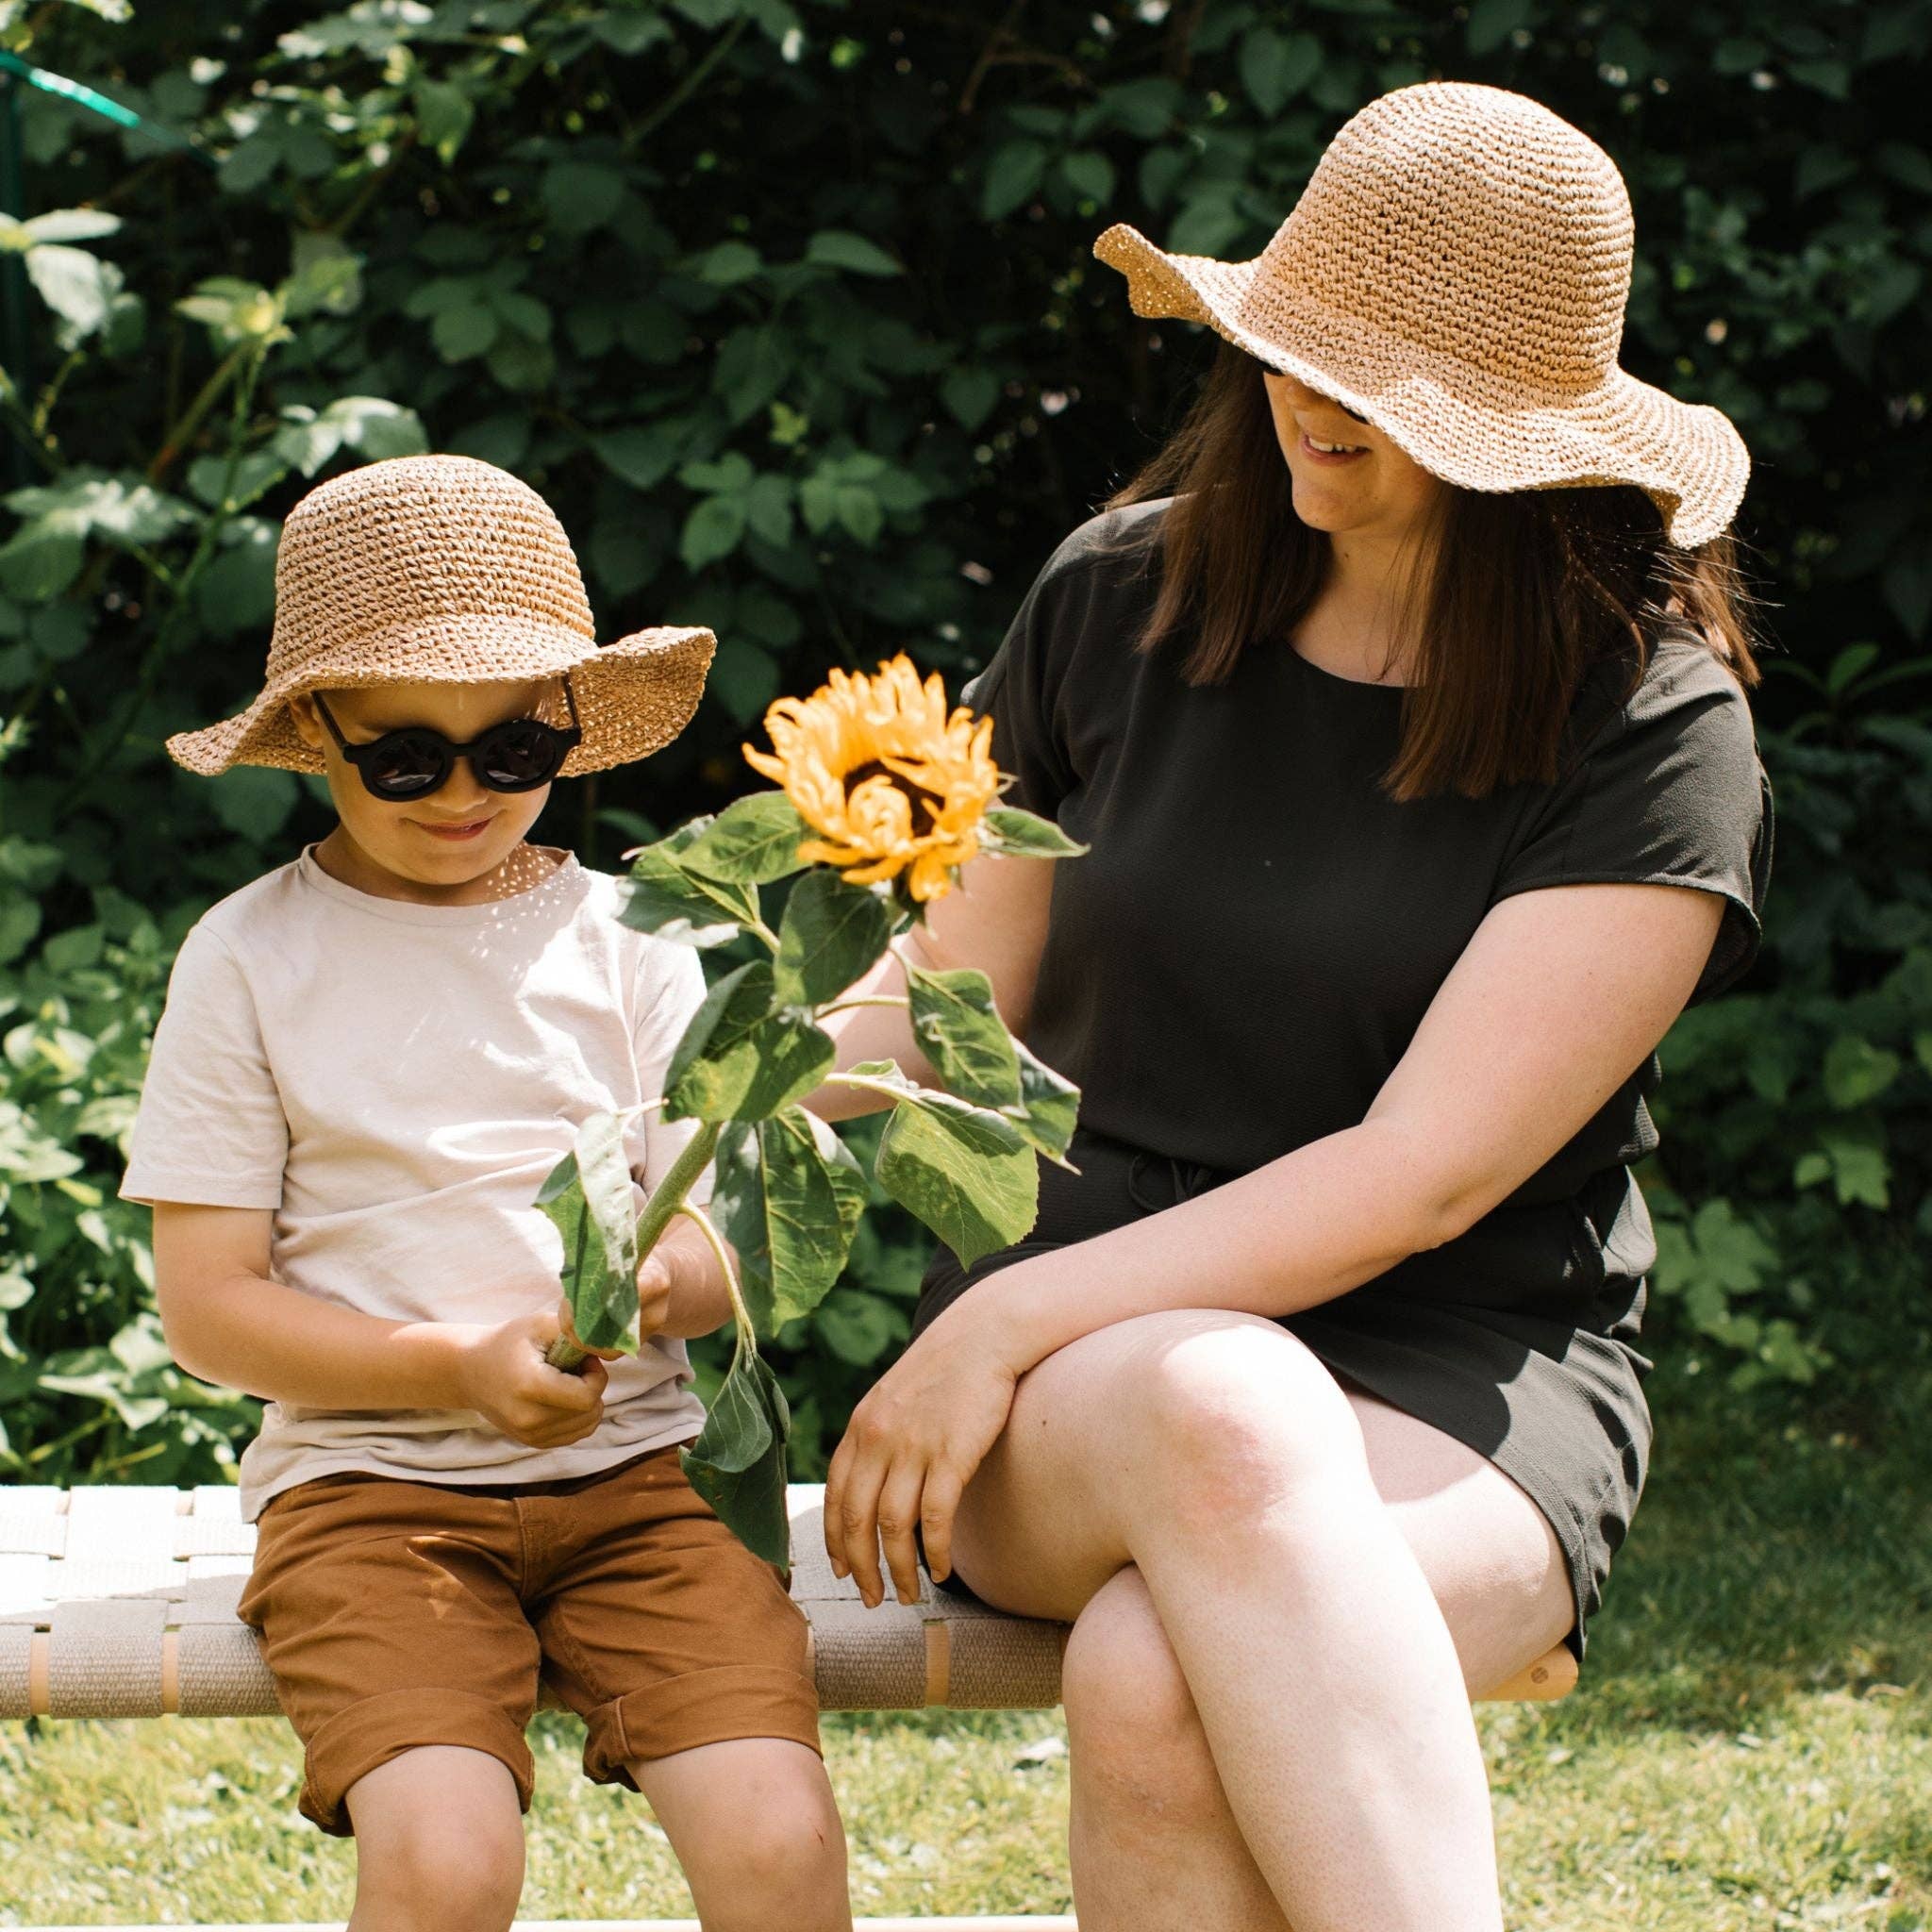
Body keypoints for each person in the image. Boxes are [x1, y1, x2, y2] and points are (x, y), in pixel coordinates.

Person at [802, 81, 1774, 1932]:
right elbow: (943, 1004)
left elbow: (1413, 1179)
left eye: (1389, 385)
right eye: (1296, 348)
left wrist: (994, 1318)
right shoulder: (1118, 602)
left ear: (1524, 436)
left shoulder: (1650, 722)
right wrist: (685, 1131)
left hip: (1458, 1362)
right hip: (1085, 1384)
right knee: (1222, 1405)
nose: (1317, 405)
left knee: (1155, 1678)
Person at [120, 455, 850, 1932]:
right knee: (446, 1862)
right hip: (369, 1497)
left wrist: (663, 1285)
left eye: (513, 751)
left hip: (644, 1483)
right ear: (315, 733)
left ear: (565, 734)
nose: (464, 797)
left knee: (776, 1841)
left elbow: (721, 1226)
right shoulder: (252, 958)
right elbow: (208, 1308)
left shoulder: (636, 935)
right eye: (407, 758)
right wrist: (449, 1371)